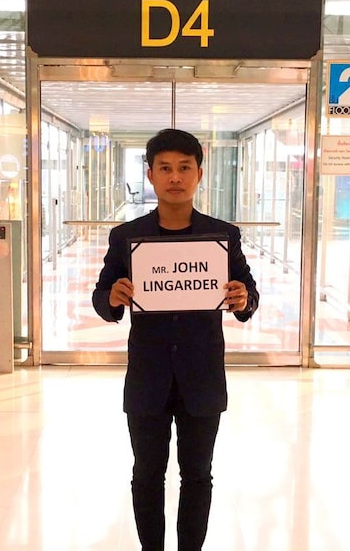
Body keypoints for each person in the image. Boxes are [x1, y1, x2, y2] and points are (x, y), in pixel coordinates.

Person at [92, 128, 259, 551]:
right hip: (148, 377)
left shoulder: (222, 236)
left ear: (199, 174)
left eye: (184, 168)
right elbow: (101, 295)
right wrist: (112, 298)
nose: (175, 177)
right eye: (165, 168)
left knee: (198, 475)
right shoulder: (127, 236)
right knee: (146, 474)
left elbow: (248, 293)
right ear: (149, 175)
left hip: (201, 377)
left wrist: (242, 298)